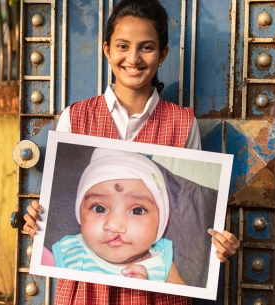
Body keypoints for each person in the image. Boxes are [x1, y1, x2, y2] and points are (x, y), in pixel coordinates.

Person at [23, 0, 240, 303]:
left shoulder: (182, 123)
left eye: (146, 47)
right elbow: (49, 232)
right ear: (107, 49)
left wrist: (219, 245)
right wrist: (38, 221)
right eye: (123, 46)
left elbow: (199, 223)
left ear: (162, 54)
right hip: (87, 294)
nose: (133, 58)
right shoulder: (77, 117)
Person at [50, 147, 185, 284]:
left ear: (160, 221)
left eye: (137, 211)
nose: (114, 226)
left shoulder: (162, 264)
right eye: (99, 208)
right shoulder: (69, 252)